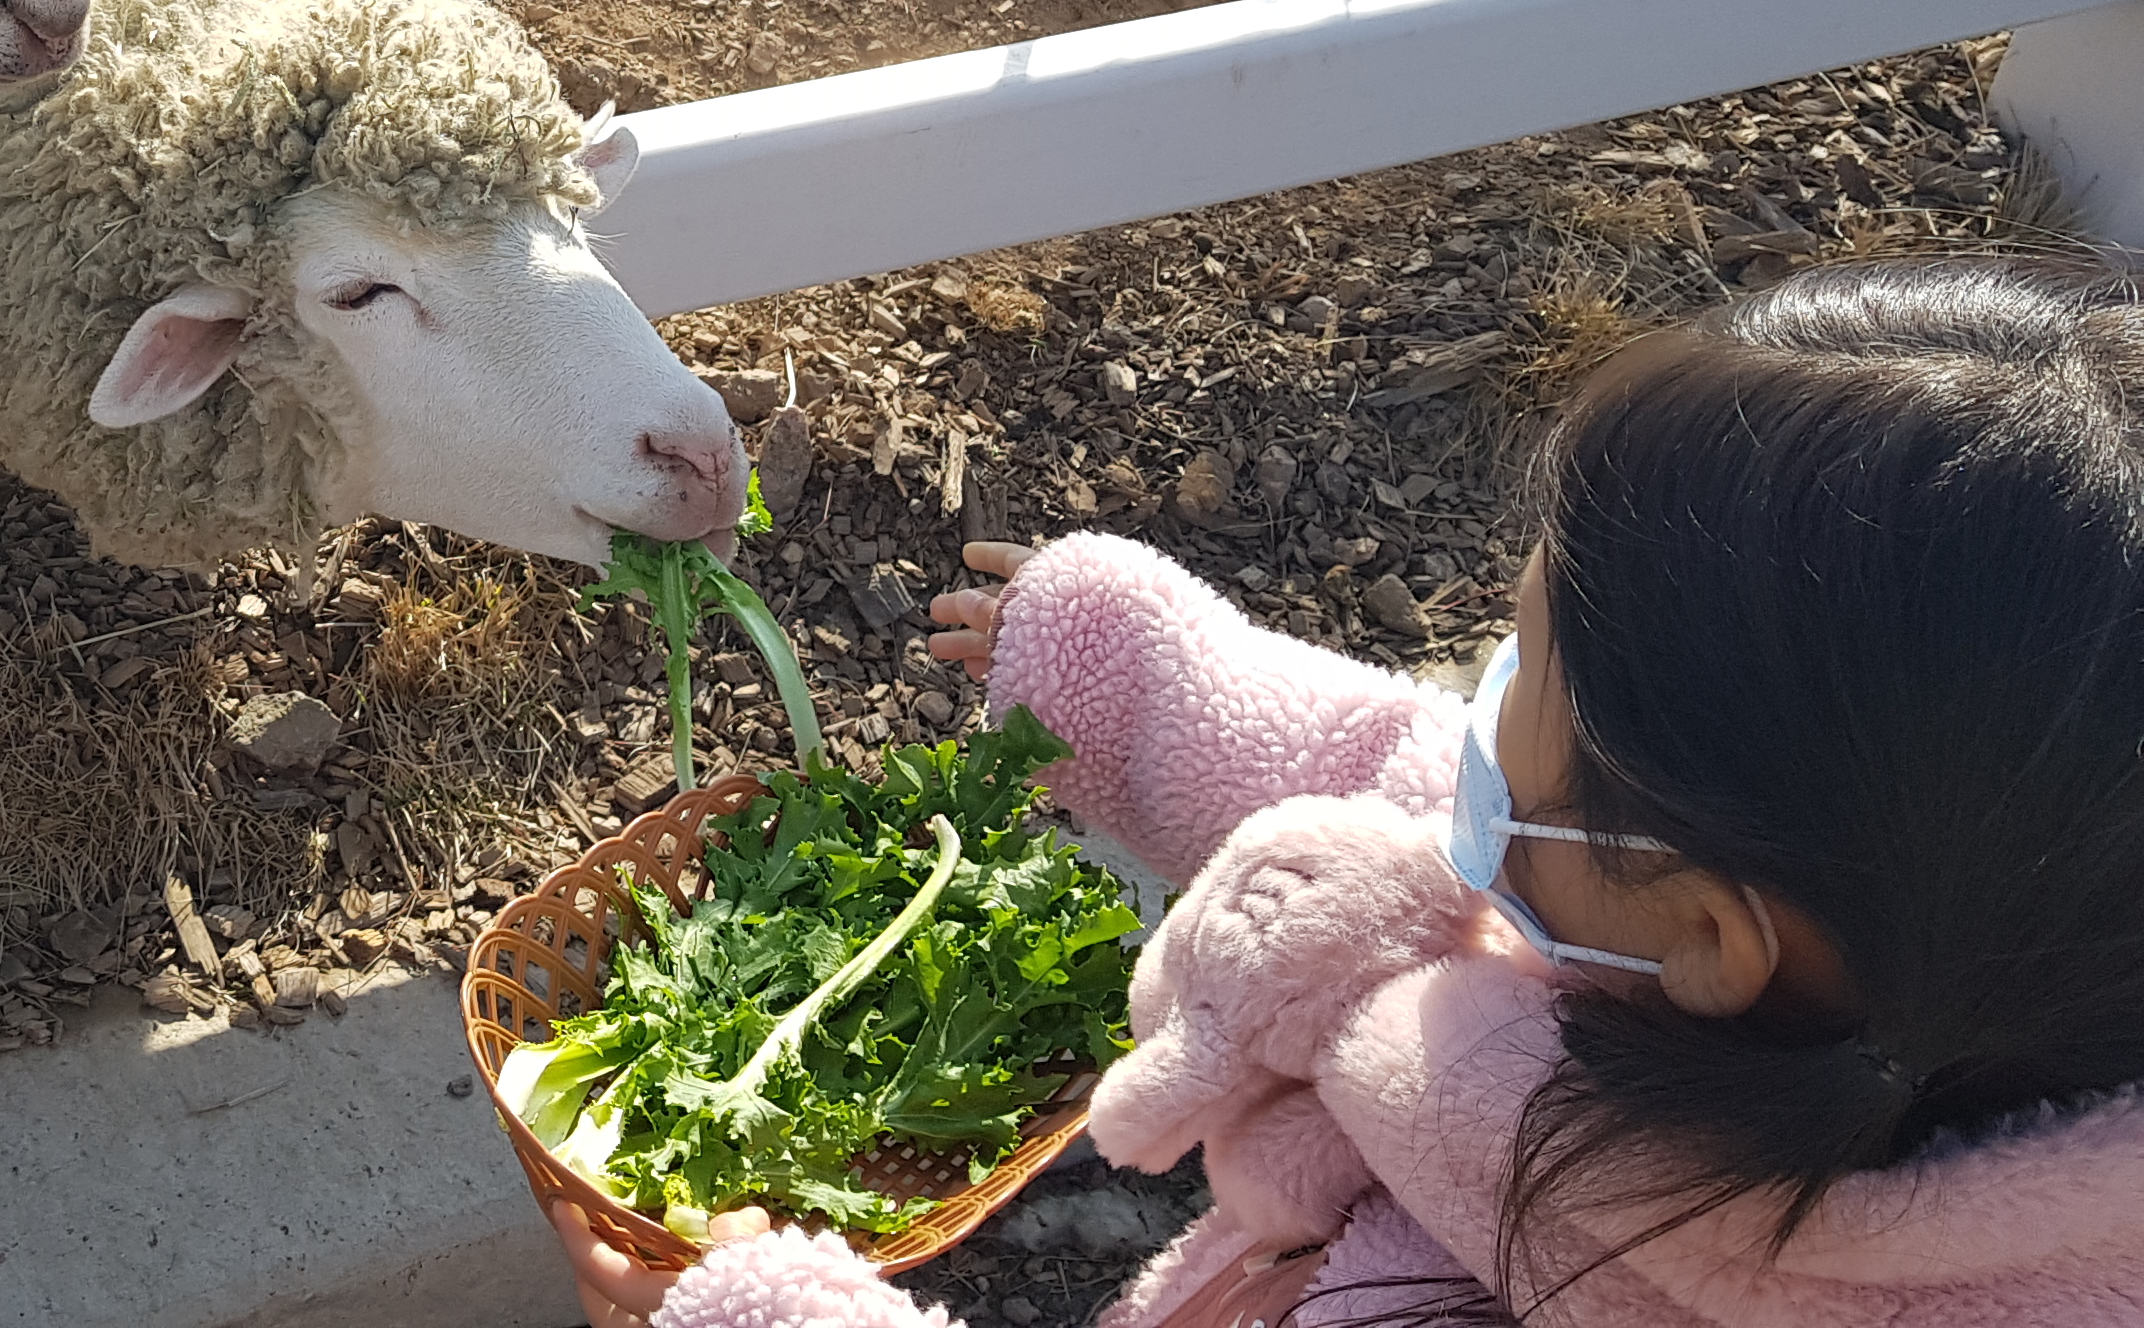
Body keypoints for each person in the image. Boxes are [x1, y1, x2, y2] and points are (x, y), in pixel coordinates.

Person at [540, 256, 2144, 1326]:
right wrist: (1125, 669)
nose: (1475, 710)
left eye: (1525, 674)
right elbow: (1379, 765)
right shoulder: (1857, 944)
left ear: (1716, 937)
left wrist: (771, 1311)